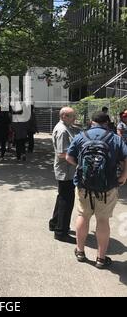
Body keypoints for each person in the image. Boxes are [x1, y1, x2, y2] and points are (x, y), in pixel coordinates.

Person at [67, 112, 127, 269]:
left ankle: (80, 252)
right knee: (103, 220)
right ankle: (100, 259)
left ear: (91, 121)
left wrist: (81, 167)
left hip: (83, 186)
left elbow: (68, 157)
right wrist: (124, 176)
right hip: (107, 187)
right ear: (107, 123)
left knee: (83, 216)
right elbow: (126, 157)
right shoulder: (115, 138)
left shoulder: (81, 136)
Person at [49, 107, 79, 244]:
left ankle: (55, 223)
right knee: (66, 201)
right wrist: (78, 163)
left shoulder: (66, 127)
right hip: (66, 171)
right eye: (73, 116)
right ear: (64, 116)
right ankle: (61, 232)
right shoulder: (62, 130)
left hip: (66, 170)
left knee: (62, 197)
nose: (75, 118)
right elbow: (62, 153)